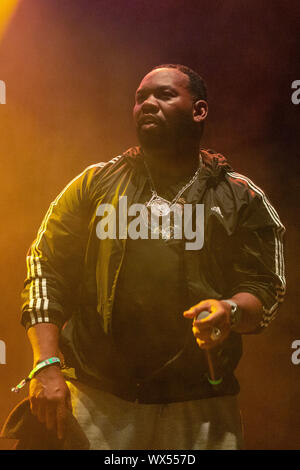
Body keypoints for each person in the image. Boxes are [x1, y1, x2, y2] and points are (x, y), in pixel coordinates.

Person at [19, 64, 286, 450]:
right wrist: (45, 364)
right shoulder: (94, 184)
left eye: (163, 95)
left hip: (200, 407)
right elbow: (45, 268)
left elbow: (267, 289)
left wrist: (229, 310)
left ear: (199, 111)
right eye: (140, 97)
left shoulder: (240, 197)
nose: (147, 104)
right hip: (99, 398)